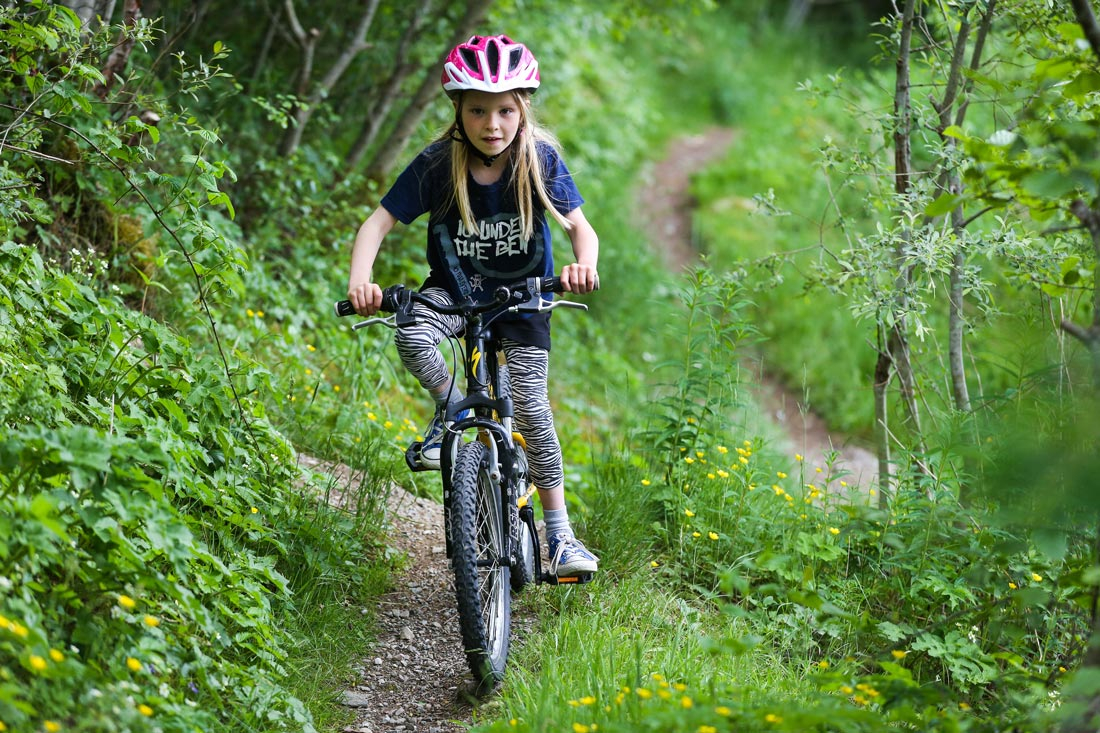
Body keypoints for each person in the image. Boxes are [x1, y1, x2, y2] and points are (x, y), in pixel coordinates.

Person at [346, 34, 599, 577]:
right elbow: (377, 224)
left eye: (506, 110)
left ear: (523, 109)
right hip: (455, 294)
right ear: (458, 111)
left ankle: (559, 535)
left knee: (530, 407)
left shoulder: (539, 160)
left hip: (523, 298)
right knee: (412, 332)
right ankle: (451, 407)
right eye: (478, 110)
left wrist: (582, 265)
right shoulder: (438, 164)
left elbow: (582, 228)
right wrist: (361, 280)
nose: (493, 124)